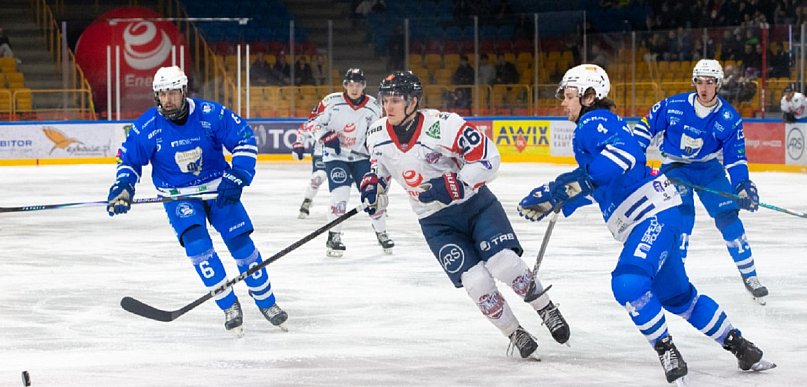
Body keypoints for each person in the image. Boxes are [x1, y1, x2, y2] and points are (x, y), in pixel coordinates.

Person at [517, 64, 775, 384]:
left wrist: (562, 188)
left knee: (629, 283)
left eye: (569, 96)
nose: (562, 103)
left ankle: (666, 348)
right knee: (679, 297)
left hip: (652, 215)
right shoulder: (600, 124)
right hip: (658, 214)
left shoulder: (592, 122)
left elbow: (622, 157)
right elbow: (603, 182)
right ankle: (742, 348)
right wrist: (559, 197)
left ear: (588, 97)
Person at [360, 70, 570, 359]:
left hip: (475, 206)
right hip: (435, 222)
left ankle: (546, 308)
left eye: (395, 100)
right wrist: (374, 187)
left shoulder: (443, 125)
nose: (388, 107)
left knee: (504, 263)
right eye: (385, 100)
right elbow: (379, 169)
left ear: (413, 101)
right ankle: (515, 332)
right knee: (476, 283)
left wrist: (454, 184)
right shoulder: (376, 133)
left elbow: (488, 158)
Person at [106, 66, 288, 336]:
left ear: (184, 91)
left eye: (173, 93)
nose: (168, 100)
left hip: (218, 189)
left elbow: (244, 139)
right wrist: (123, 186)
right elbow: (129, 160)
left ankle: (266, 301)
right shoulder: (147, 126)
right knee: (198, 246)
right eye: (162, 94)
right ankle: (229, 304)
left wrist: (238, 174)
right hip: (179, 196)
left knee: (241, 245)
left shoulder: (209, 114)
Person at [633, 59, 769, 303]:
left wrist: (742, 185)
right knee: (682, 219)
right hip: (675, 167)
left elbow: (736, 159)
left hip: (709, 170)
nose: (704, 88)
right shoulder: (673, 105)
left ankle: (750, 276)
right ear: (694, 82)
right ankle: (675, 279)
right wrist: (635, 155)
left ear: (718, 84)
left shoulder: (729, 118)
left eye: (710, 82)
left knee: (729, 217)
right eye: (699, 82)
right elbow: (646, 126)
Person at [308, 68, 394, 257]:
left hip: (361, 157)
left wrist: (373, 145)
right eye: (350, 84)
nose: (354, 88)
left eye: (358, 84)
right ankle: (334, 236)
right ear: (345, 85)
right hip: (335, 157)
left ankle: (381, 232)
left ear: (364, 86)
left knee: (373, 195)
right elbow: (312, 122)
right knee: (340, 194)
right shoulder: (330, 102)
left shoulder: (373, 106)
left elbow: (381, 130)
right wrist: (325, 136)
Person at [291, 121, 327, 218]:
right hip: (321, 153)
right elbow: (304, 128)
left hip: (343, 154)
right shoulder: (321, 111)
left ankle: (369, 200)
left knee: (355, 179)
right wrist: (299, 143)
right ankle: (307, 201)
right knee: (317, 179)